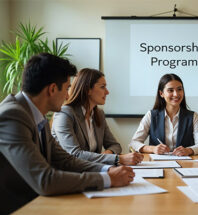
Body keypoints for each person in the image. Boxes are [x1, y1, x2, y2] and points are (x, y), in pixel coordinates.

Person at [0, 53, 134, 214]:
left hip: (40, 201)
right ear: (52, 89)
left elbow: (64, 160)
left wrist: (106, 170)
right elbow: (45, 179)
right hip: (21, 207)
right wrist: (108, 179)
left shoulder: (36, 114)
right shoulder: (12, 115)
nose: (68, 95)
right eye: (67, 88)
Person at [51, 68, 144, 165]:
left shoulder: (99, 114)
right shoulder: (65, 114)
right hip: (69, 174)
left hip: (92, 170)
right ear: (88, 90)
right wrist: (117, 159)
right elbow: (75, 154)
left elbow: (115, 146)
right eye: (102, 87)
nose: (107, 92)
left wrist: (107, 155)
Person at [130, 73, 198, 156]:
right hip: (157, 165)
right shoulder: (151, 115)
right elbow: (133, 143)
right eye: (170, 90)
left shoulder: (192, 116)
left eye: (179, 89)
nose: (176, 94)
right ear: (161, 94)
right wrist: (152, 148)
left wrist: (188, 150)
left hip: (185, 165)